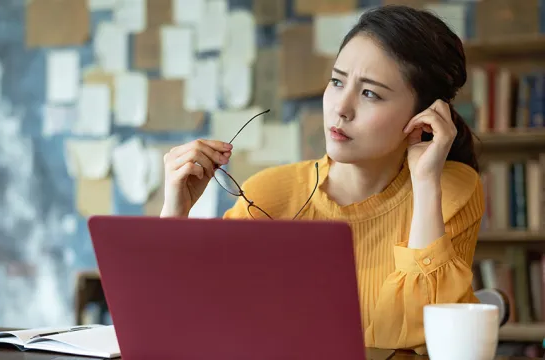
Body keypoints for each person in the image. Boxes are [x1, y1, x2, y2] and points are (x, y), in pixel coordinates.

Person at [160, 5, 483, 354]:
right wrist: (175, 215)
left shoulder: (449, 190)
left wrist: (424, 182)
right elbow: (186, 327)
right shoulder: (268, 194)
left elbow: (411, 339)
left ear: (423, 115)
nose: (341, 108)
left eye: (370, 93)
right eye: (337, 81)